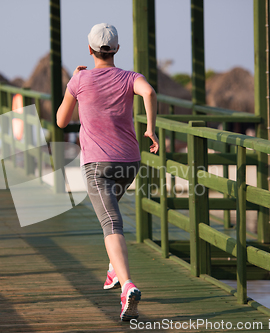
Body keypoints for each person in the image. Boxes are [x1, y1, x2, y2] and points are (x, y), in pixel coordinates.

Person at [56, 23, 158, 321]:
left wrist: (72, 83)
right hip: (129, 163)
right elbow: (149, 92)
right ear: (116, 50)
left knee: (110, 222)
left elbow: (62, 121)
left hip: (98, 165)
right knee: (111, 213)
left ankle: (127, 286)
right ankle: (114, 268)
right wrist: (150, 129)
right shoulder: (130, 77)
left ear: (90, 50)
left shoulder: (80, 80)